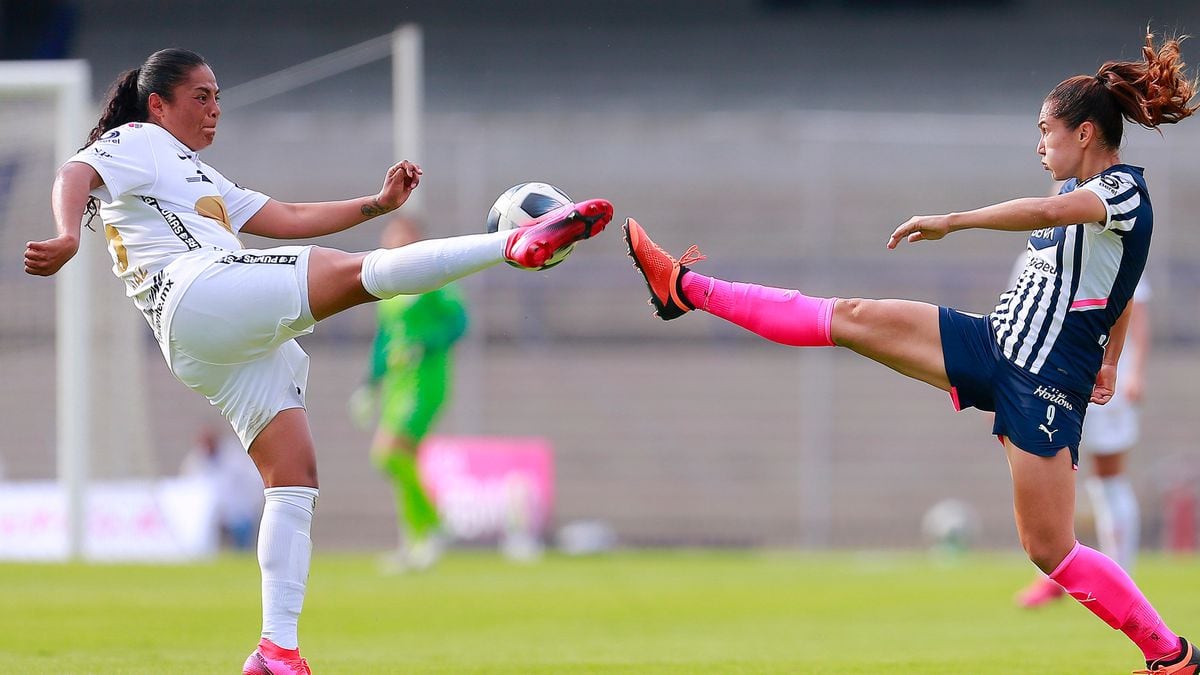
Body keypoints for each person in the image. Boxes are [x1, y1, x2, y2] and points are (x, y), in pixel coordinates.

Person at [23, 48, 612, 674]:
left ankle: (277, 649)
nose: (215, 109)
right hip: (198, 293)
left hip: (206, 340)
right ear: (158, 104)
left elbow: (288, 217)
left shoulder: (197, 176)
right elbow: (74, 170)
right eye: (201, 97)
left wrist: (377, 206)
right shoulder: (138, 139)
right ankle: (512, 242)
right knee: (356, 272)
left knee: (294, 476)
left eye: (218, 96)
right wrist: (65, 235)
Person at [623, 31, 1196, 673]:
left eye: (1046, 131)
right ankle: (685, 287)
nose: (1039, 146)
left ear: (1085, 132)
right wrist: (1111, 359)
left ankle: (1170, 653)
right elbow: (1112, 293)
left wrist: (953, 220)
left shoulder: (1121, 193)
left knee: (1050, 550)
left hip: (1042, 385)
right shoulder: (1084, 204)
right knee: (849, 316)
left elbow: (1066, 233)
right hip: (990, 345)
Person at [1017, 274, 1151, 608]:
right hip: (1051, 383)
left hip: (1104, 380)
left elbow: (1138, 310)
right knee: (1052, 472)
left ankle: (1120, 579)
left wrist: (1135, 370)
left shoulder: (1116, 240)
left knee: (1109, 479)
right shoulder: (1038, 251)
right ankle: (1053, 576)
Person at [349, 215, 467, 573]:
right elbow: (386, 339)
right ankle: (416, 541)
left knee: (389, 455)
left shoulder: (432, 279)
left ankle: (433, 526)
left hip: (424, 382)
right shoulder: (390, 286)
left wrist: (424, 345)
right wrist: (369, 382)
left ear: (414, 237)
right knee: (400, 462)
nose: (390, 237)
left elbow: (459, 321)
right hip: (398, 386)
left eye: (397, 232)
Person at [180, 425, 265, 550]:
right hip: (213, 516)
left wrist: (252, 505)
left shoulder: (233, 456)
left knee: (241, 550)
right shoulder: (196, 461)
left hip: (238, 514)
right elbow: (189, 487)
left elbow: (253, 479)